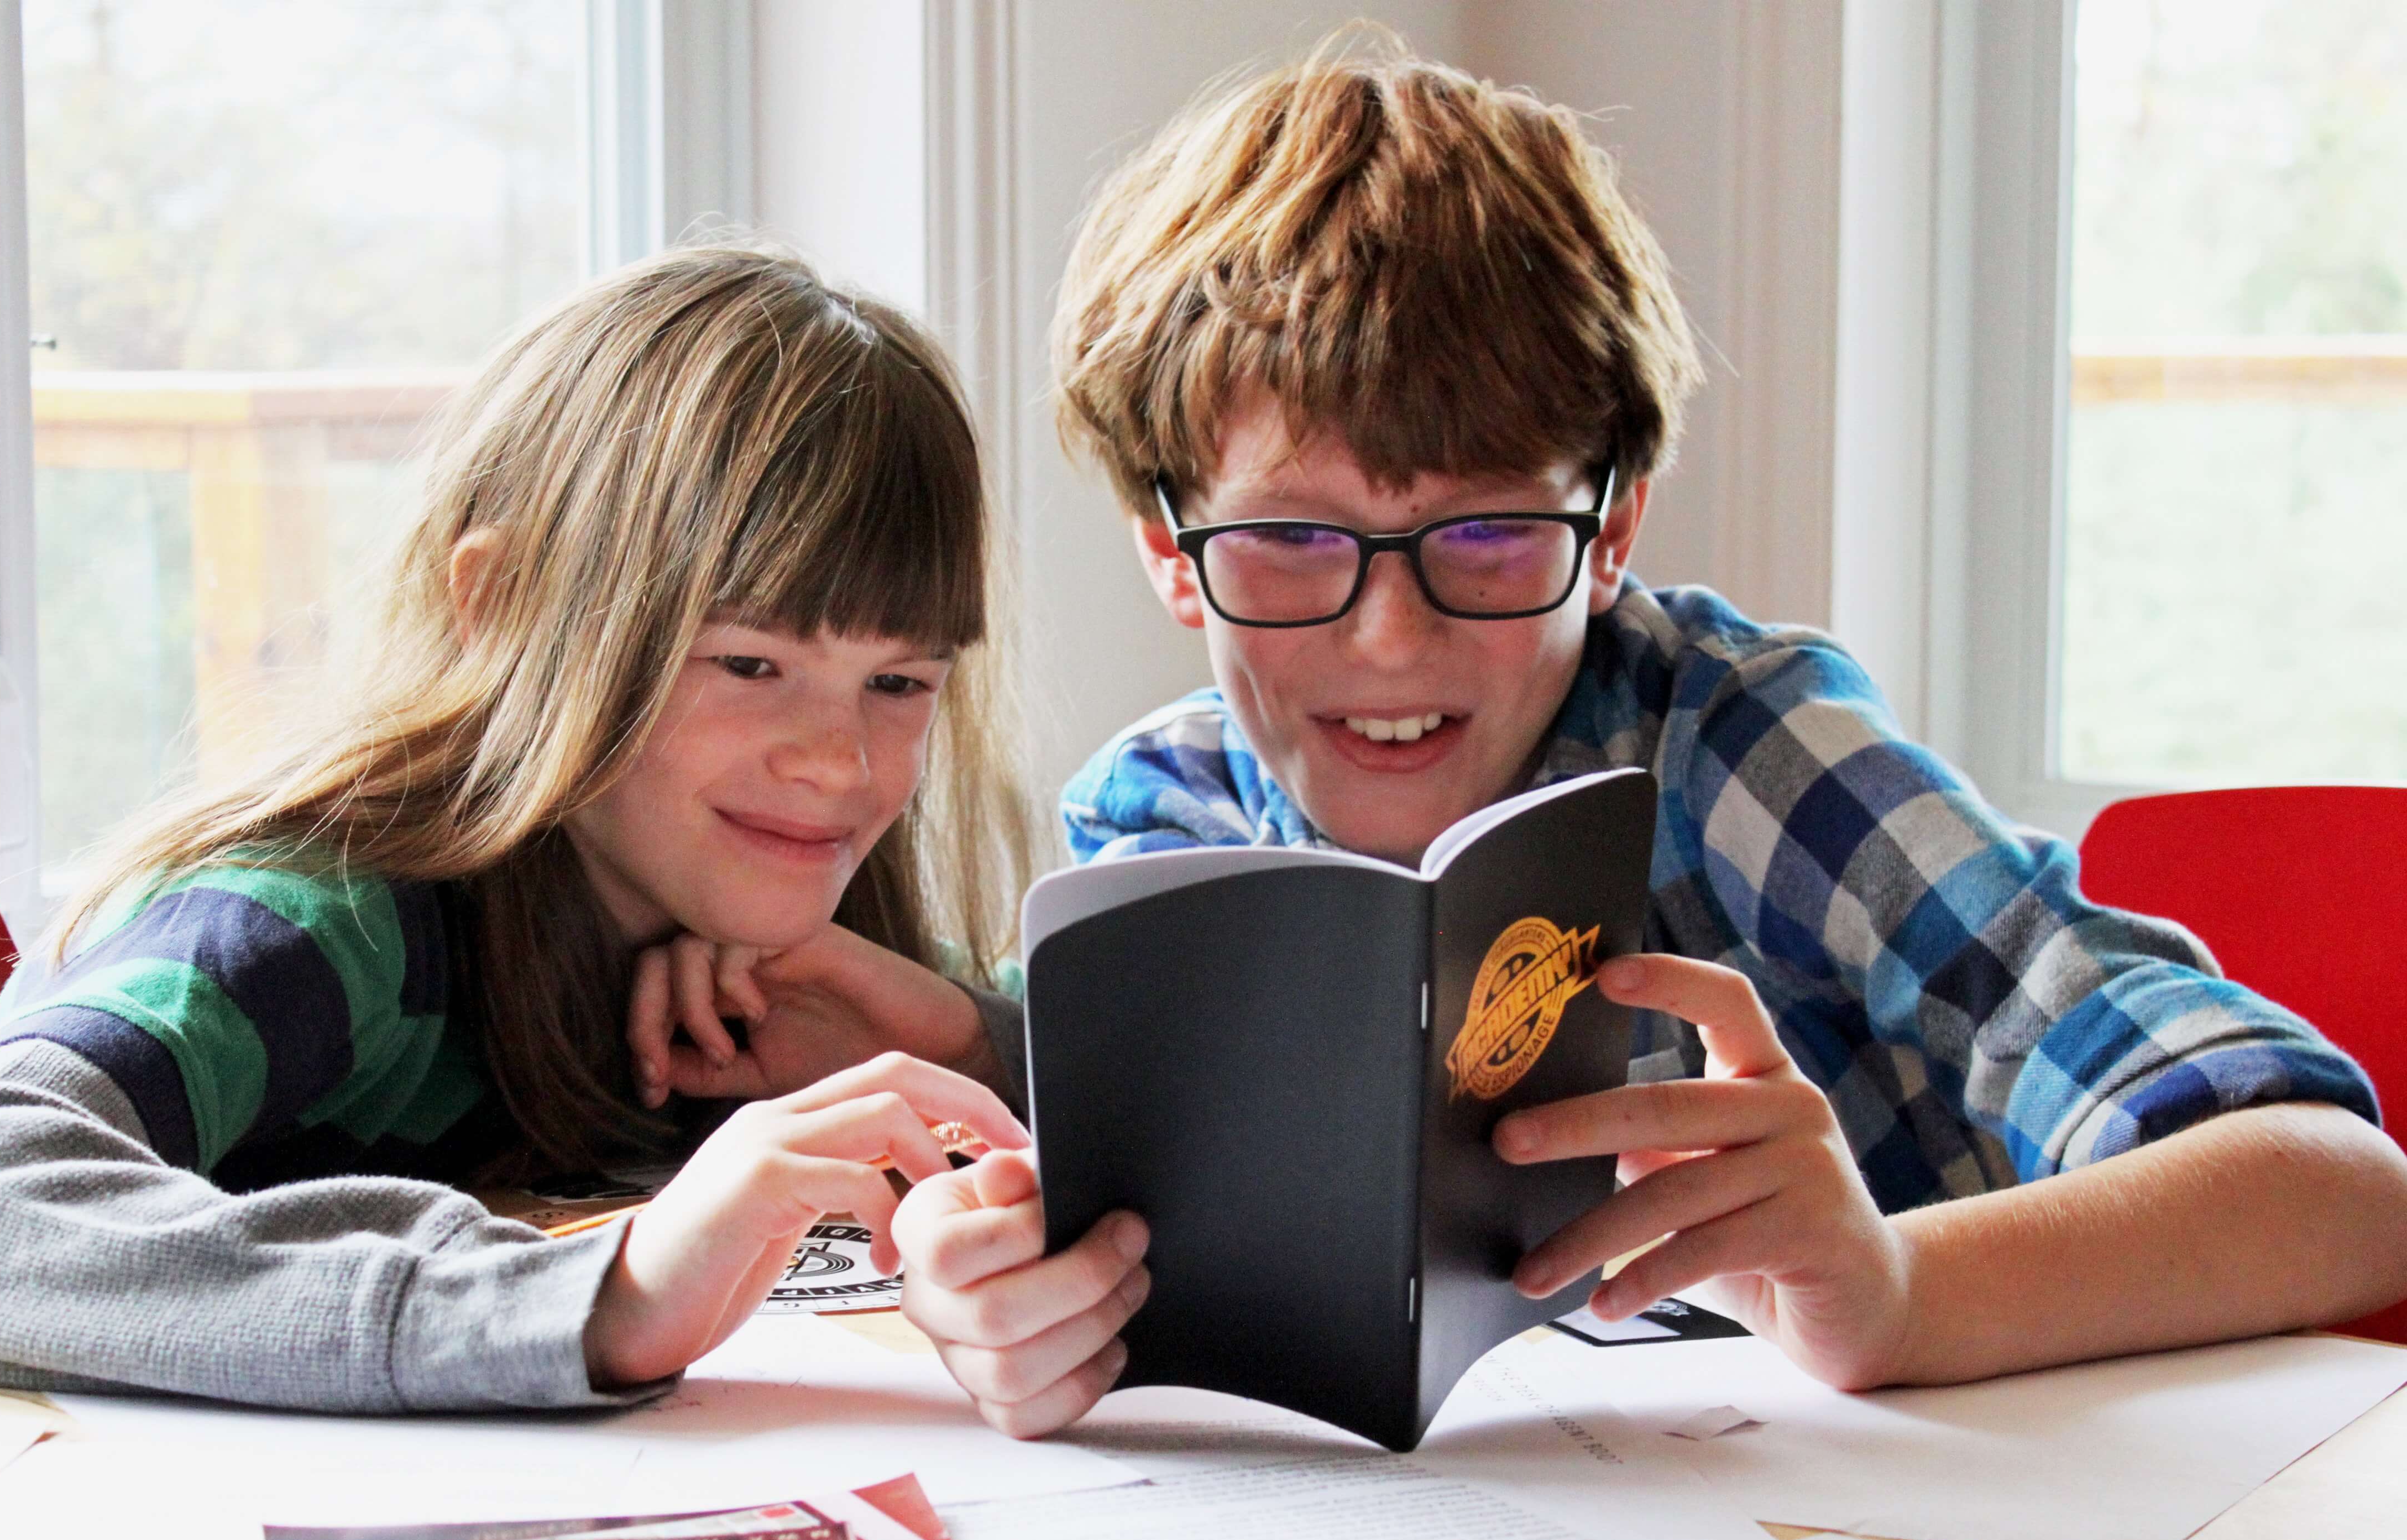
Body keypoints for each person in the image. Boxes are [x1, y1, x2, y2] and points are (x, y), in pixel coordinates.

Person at [901, 40, 2407, 1436]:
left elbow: (2341, 1189)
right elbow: (1095, 1258)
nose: (1389, 641)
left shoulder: (1744, 750)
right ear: (1173, 551)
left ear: (1611, 522)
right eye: (1292, 539)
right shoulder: (1161, 823)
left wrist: (1891, 1292)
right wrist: (1008, 1305)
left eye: (1490, 534)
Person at [0, 247, 1147, 1412]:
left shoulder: (817, 962)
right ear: (501, 610)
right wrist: (599, 1298)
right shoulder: (318, 922)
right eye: (746, 665)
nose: (841, 759)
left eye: (900, 684)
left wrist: (975, 1049)